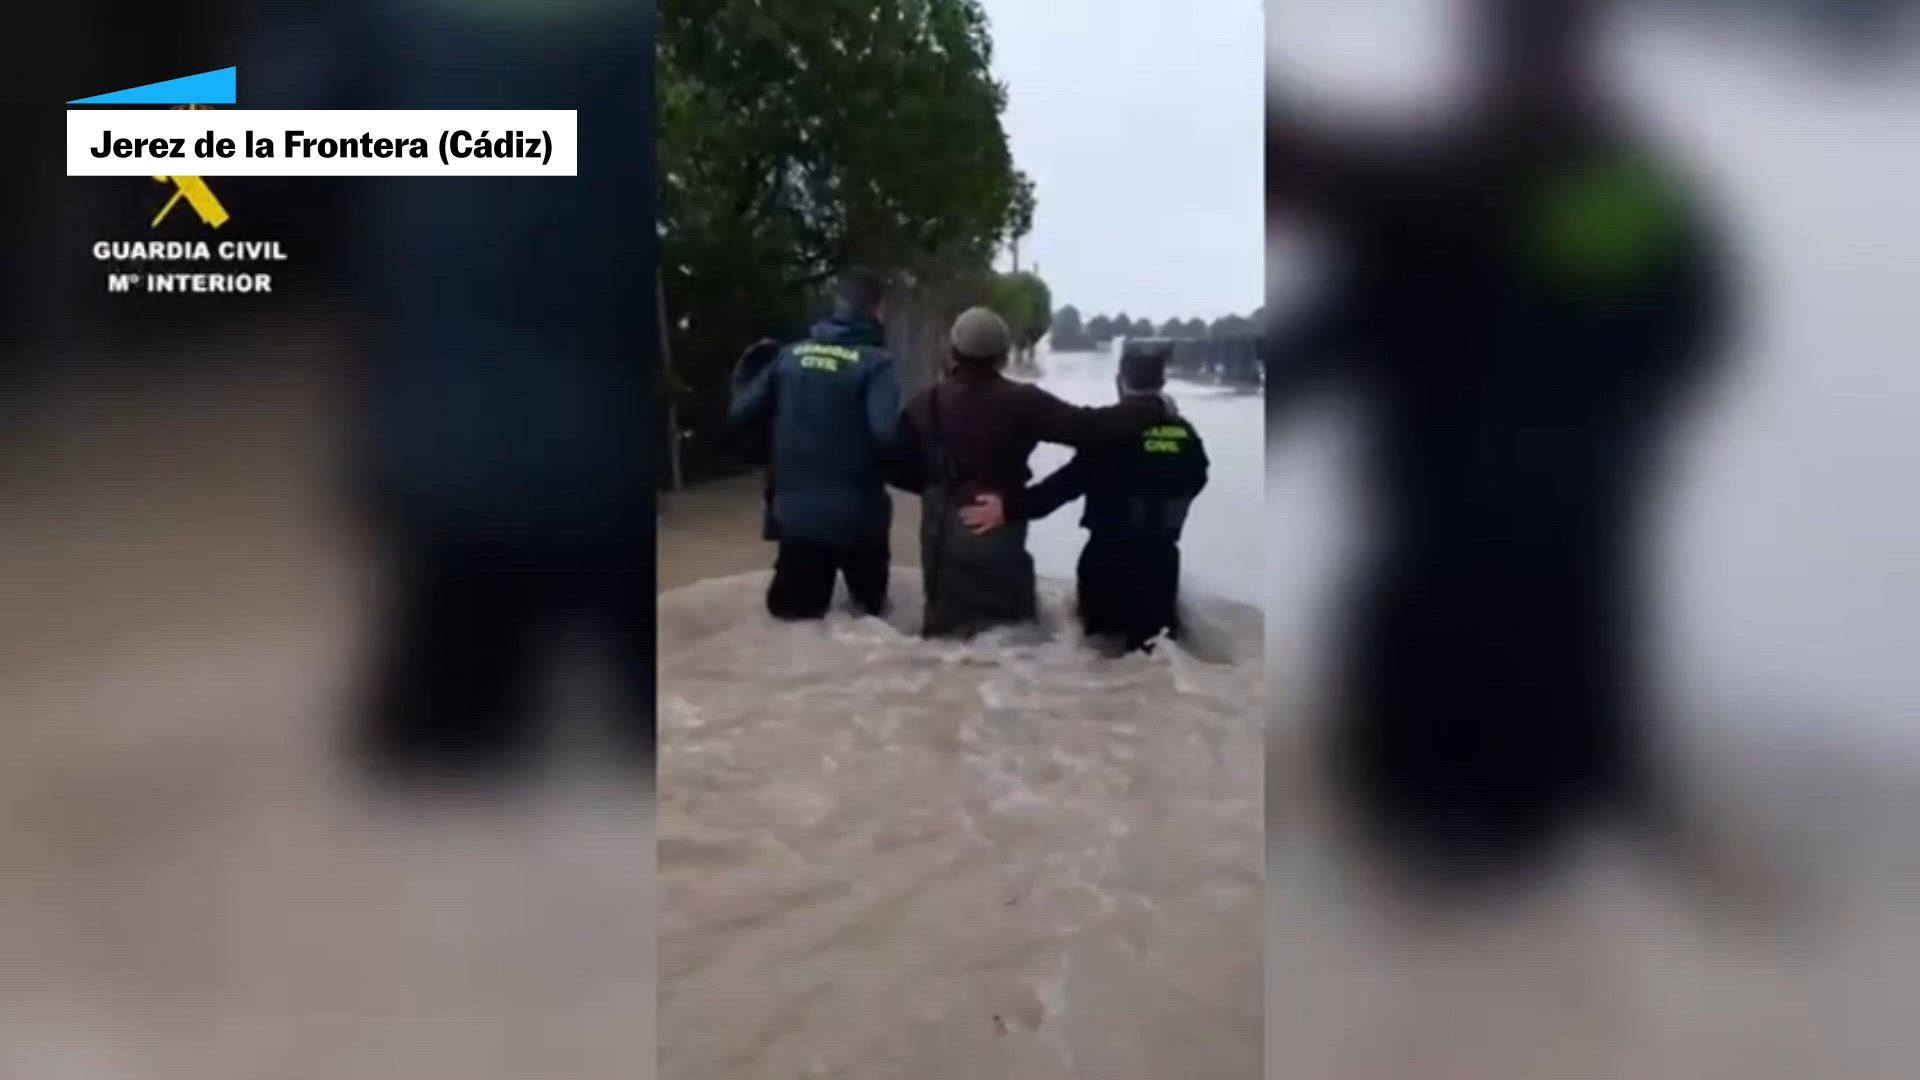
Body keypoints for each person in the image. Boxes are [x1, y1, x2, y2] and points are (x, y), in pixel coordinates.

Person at [1268, 0, 1731, 876]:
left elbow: (1691, 330)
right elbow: (1349, 327)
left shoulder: (1602, 192)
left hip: (1538, 554)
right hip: (1459, 555)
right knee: (1434, 826)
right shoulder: (1454, 188)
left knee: (1529, 819)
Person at [887, 307, 1172, 639]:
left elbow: (890, 463)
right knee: (1013, 643)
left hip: (940, 535)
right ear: (1003, 357)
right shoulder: (1023, 402)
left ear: (953, 353)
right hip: (998, 527)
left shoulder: (925, 403)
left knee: (943, 639)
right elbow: (1091, 427)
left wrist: (936, 489)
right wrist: (1151, 406)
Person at [963, 345, 1209, 654]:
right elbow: (1198, 480)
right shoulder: (1186, 436)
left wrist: (1007, 508)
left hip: (1107, 561)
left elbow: (1060, 489)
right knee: (1158, 656)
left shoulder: (1108, 437)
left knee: (1097, 659)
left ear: (1120, 381)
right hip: (1161, 562)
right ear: (1163, 383)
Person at [728, 269, 902, 621]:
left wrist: (744, 377)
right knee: (872, 625)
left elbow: (739, 415)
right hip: (860, 520)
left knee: (794, 630)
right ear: (876, 310)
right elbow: (886, 435)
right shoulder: (877, 364)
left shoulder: (789, 357)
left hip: (797, 519)